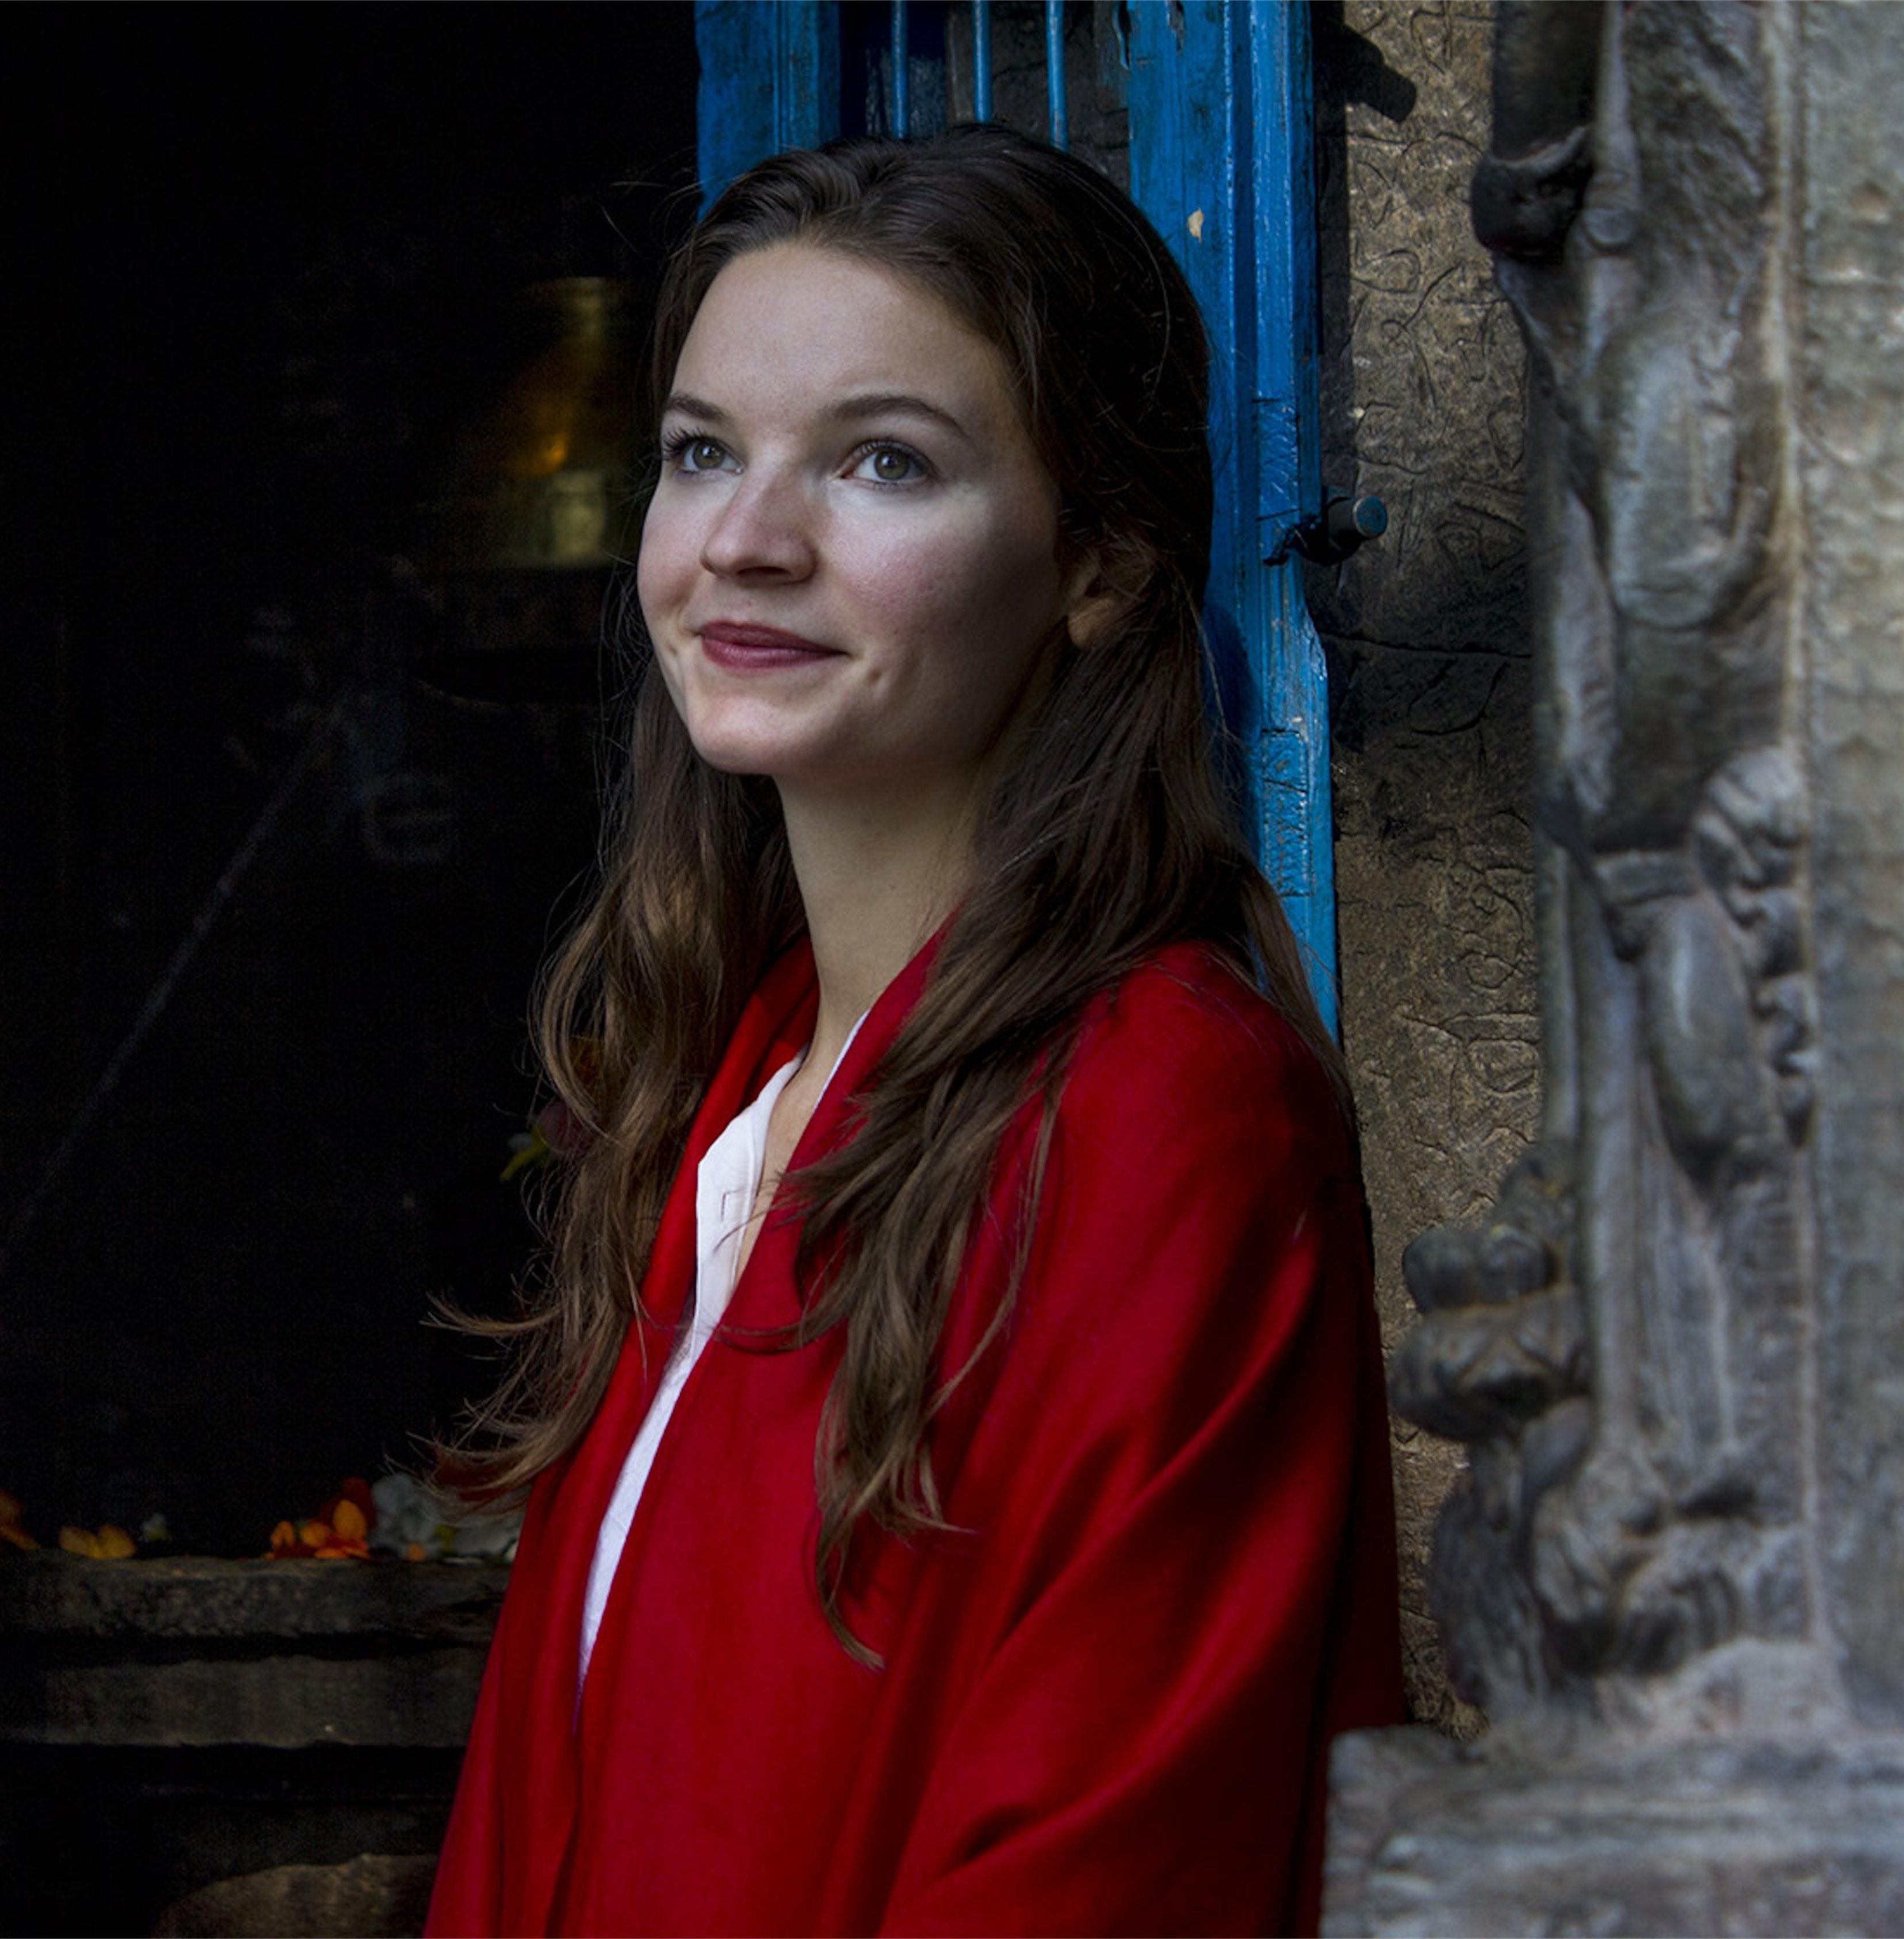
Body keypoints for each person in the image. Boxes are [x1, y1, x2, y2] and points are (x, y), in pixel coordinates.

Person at [426, 126, 1404, 1938]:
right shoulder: (735, 1091)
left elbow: (1112, 1867)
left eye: (884, 462)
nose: (746, 540)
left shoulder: (1164, 1106)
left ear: (1098, 565)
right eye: (704, 453)